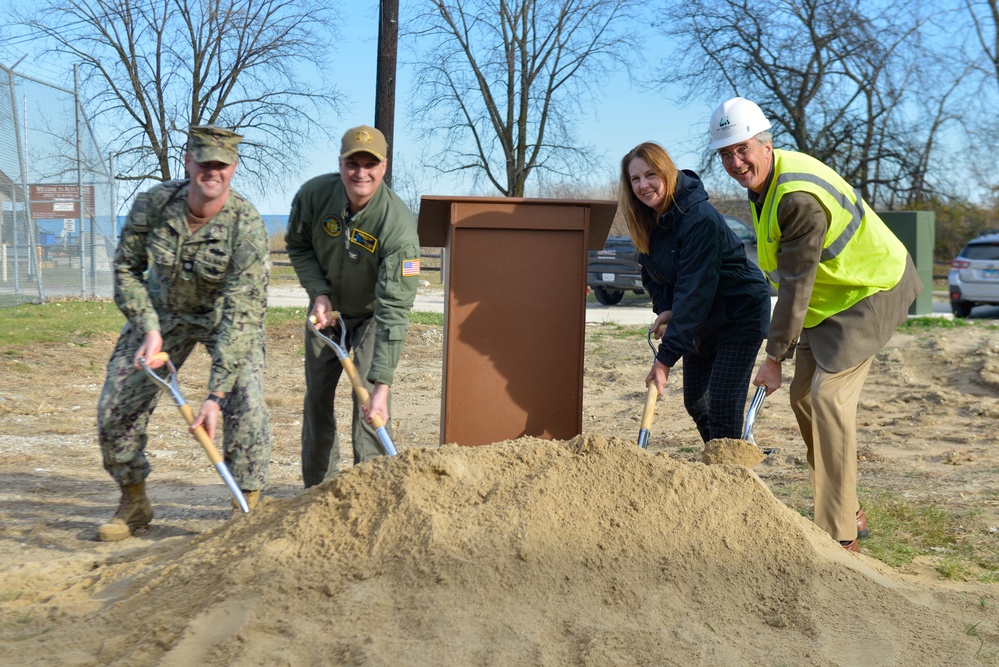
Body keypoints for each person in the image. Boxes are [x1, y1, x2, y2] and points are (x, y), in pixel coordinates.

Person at [709, 97, 923, 551]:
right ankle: (850, 505)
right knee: (803, 398)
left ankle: (839, 535)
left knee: (828, 398)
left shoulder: (797, 199)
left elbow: (796, 284)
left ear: (766, 144)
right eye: (725, 154)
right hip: (832, 300)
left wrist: (773, 358)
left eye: (743, 149)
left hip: (871, 288)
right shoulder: (763, 186)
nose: (735, 162)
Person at [96, 125, 272, 541]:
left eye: (221, 164)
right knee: (115, 403)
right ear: (188, 162)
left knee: (246, 400)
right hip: (162, 313)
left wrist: (214, 396)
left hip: (222, 318)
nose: (212, 171)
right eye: (204, 162)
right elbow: (125, 268)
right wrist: (149, 328)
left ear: (233, 167)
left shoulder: (245, 225)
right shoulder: (155, 204)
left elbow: (243, 311)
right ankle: (134, 500)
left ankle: (244, 508)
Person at [286, 125, 421, 488]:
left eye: (370, 164)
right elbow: (298, 246)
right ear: (341, 163)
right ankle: (319, 489)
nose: (360, 172)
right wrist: (319, 293)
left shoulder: (398, 227)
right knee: (317, 400)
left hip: (373, 315)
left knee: (369, 406)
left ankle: (371, 490)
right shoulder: (313, 196)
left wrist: (384, 384)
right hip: (326, 312)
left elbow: (395, 308)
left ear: (384, 166)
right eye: (352, 163)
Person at [619, 142, 771, 443]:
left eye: (650, 175)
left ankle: (728, 478)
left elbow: (694, 292)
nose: (643, 185)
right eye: (635, 179)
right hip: (702, 316)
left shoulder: (697, 218)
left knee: (722, 405)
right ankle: (720, 464)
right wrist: (665, 307)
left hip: (738, 314)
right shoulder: (648, 220)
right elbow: (652, 275)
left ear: (667, 172)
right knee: (697, 402)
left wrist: (664, 360)